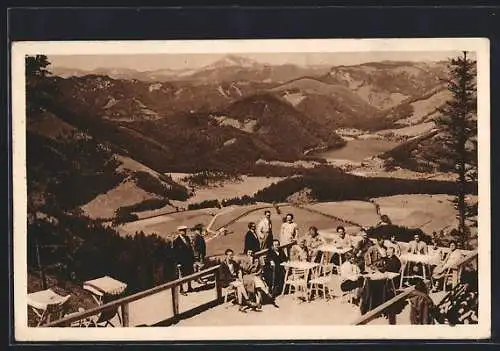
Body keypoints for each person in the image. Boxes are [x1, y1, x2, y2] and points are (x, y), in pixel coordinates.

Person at [173, 225, 195, 294]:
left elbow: (190, 249)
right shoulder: (176, 241)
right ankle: (181, 289)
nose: (184, 232)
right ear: (179, 231)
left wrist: (192, 259)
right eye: (183, 230)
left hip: (188, 260)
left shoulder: (187, 238)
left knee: (189, 274)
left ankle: (189, 287)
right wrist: (178, 263)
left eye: (185, 230)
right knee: (181, 276)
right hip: (181, 261)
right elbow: (175, 253)